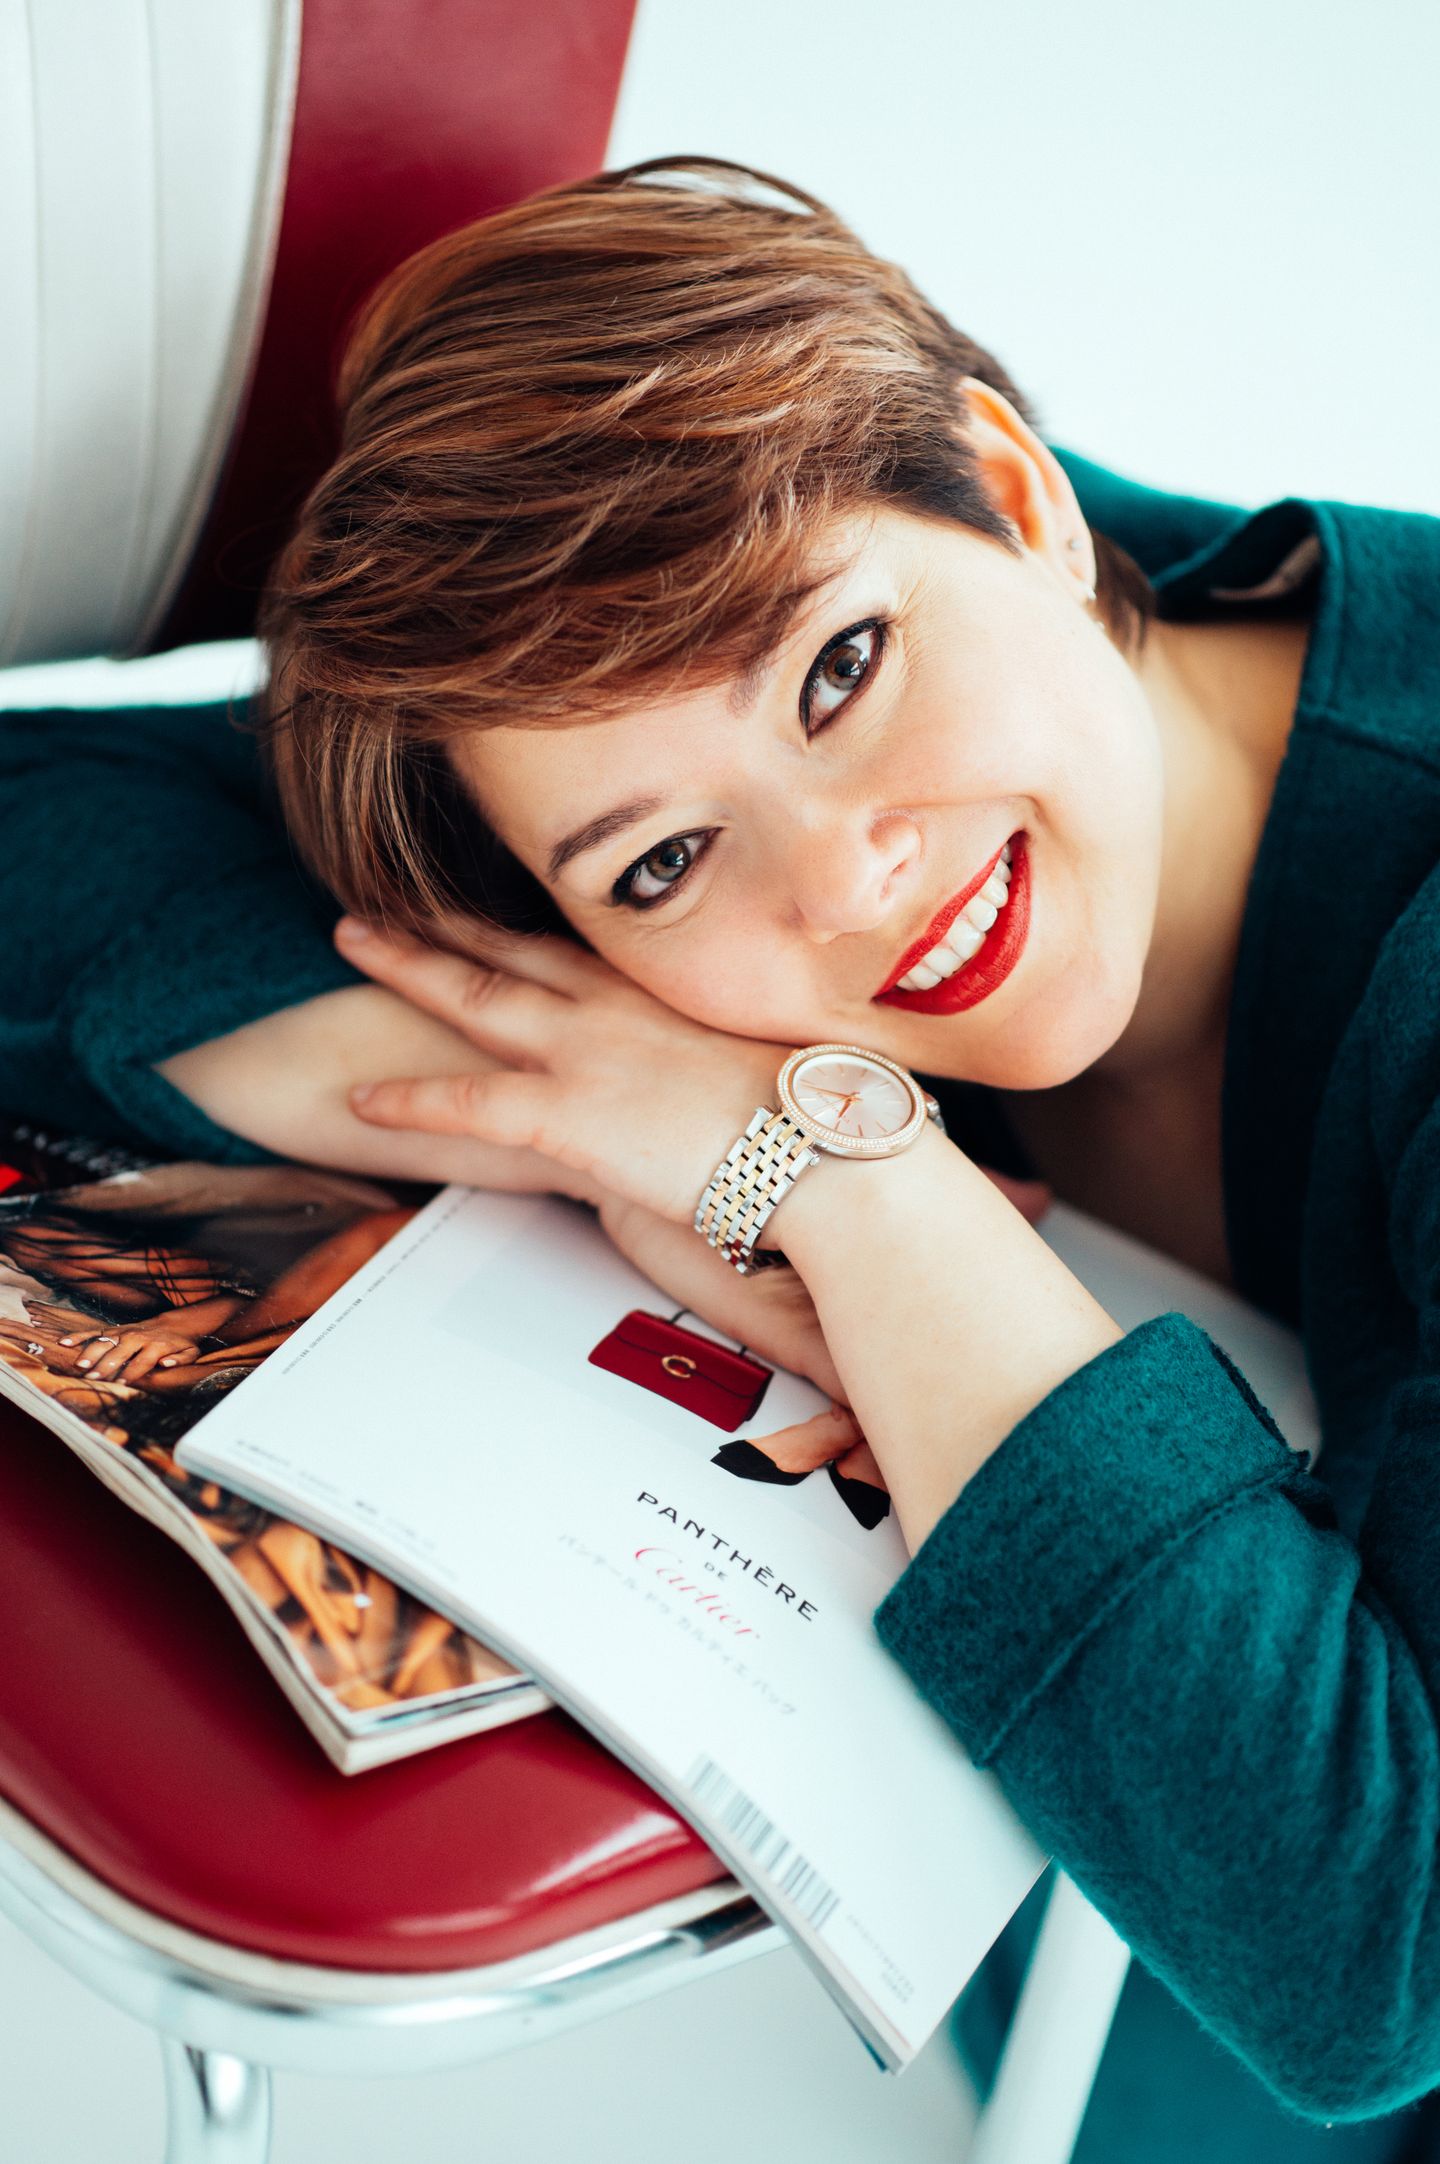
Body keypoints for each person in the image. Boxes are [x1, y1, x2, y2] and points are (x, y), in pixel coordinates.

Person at [3, 156, 1438, 2160]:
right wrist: (567, 1083)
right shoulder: (840, 643)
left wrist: (845, 1175)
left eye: (839, 671)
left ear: (1021, 495)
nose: (847, 881)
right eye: (664, 859)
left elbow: (1379, 1943)